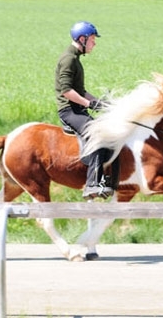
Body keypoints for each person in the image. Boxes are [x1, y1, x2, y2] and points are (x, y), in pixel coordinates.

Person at [54, 21, 114, 199]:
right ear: (82, 39)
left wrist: (99, 102)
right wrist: (88, 104)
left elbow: (80, 91)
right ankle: (91, 184)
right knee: (97, 135)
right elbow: (67, 91)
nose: (94, 43)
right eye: (93, 40)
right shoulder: (69, 59)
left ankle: (105, 179)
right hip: (69, 111)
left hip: (77, 108)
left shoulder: (75, 59)